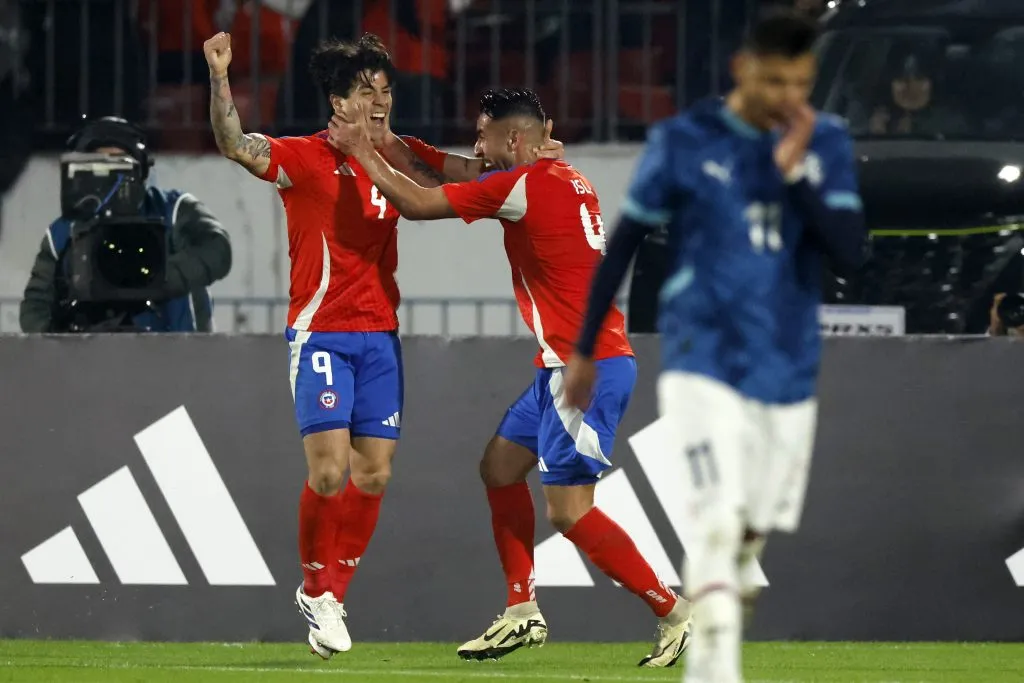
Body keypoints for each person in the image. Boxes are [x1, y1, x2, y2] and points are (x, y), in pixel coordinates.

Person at [202, 31, 563, 658]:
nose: (380, 102)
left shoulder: (402, 154)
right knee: (329, 471)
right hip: (321, 332)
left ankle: (331, 597)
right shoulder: (303, 157)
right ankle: (314, 587)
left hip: (379, 337)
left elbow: (479, 174)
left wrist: (536, 158)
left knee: (373, 475)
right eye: (367, 92)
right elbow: (235, 143)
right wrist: (219, 76)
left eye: (387, 91)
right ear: (337, 102)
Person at [327, 87, 693, 668]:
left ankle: (674, 612)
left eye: (483, 135)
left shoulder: (523, 185)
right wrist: (388, 141)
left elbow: (418, 203)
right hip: (560, 366)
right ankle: (521, 608)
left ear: (515, 138)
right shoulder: (561, 177)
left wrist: (361, 151)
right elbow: (448, 168)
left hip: (587, 367)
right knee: (499, 468)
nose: (477, 147)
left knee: (569, 511)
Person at [564, 11, 866, 683]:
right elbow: (624, 242)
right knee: (717, 523)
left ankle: (732, 574)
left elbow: (851, 252)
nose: (787, 97)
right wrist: (584, 348)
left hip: (785, 367)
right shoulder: (684, 140)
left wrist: (794, 176)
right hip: (701, 357)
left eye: (800, 83)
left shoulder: (825, 142)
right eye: (774, 81)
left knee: (748, 530)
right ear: (742, 70)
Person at [20, 116, 230, 333]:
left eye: (120, 164)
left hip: (180, 349)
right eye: (100, 164)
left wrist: (154, 279)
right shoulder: (63, 232)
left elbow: (218, 249)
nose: (111, 175)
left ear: (141, 170)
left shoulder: (174, 209)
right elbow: (34, 309)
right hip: (93, 351)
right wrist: (67, 339)